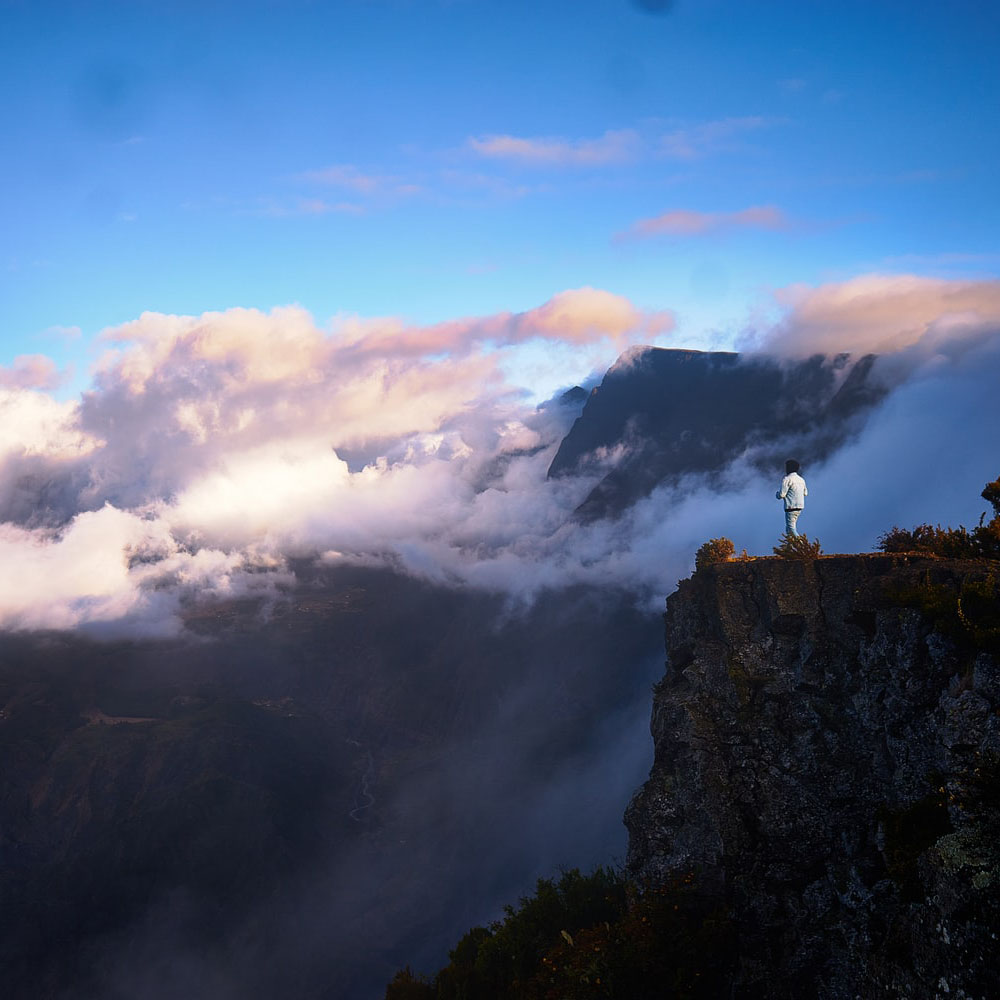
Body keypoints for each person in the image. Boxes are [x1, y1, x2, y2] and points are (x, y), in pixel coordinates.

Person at [776, 460, 807, 536]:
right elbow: (805, 493)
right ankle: (790, 545)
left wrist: (777, 494)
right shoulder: (801, 480)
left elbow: (782, 495)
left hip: (790, 507)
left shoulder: (787, 479)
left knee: (791, 528)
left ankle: (802, 544)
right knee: (788, 528)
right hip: (800, 506)